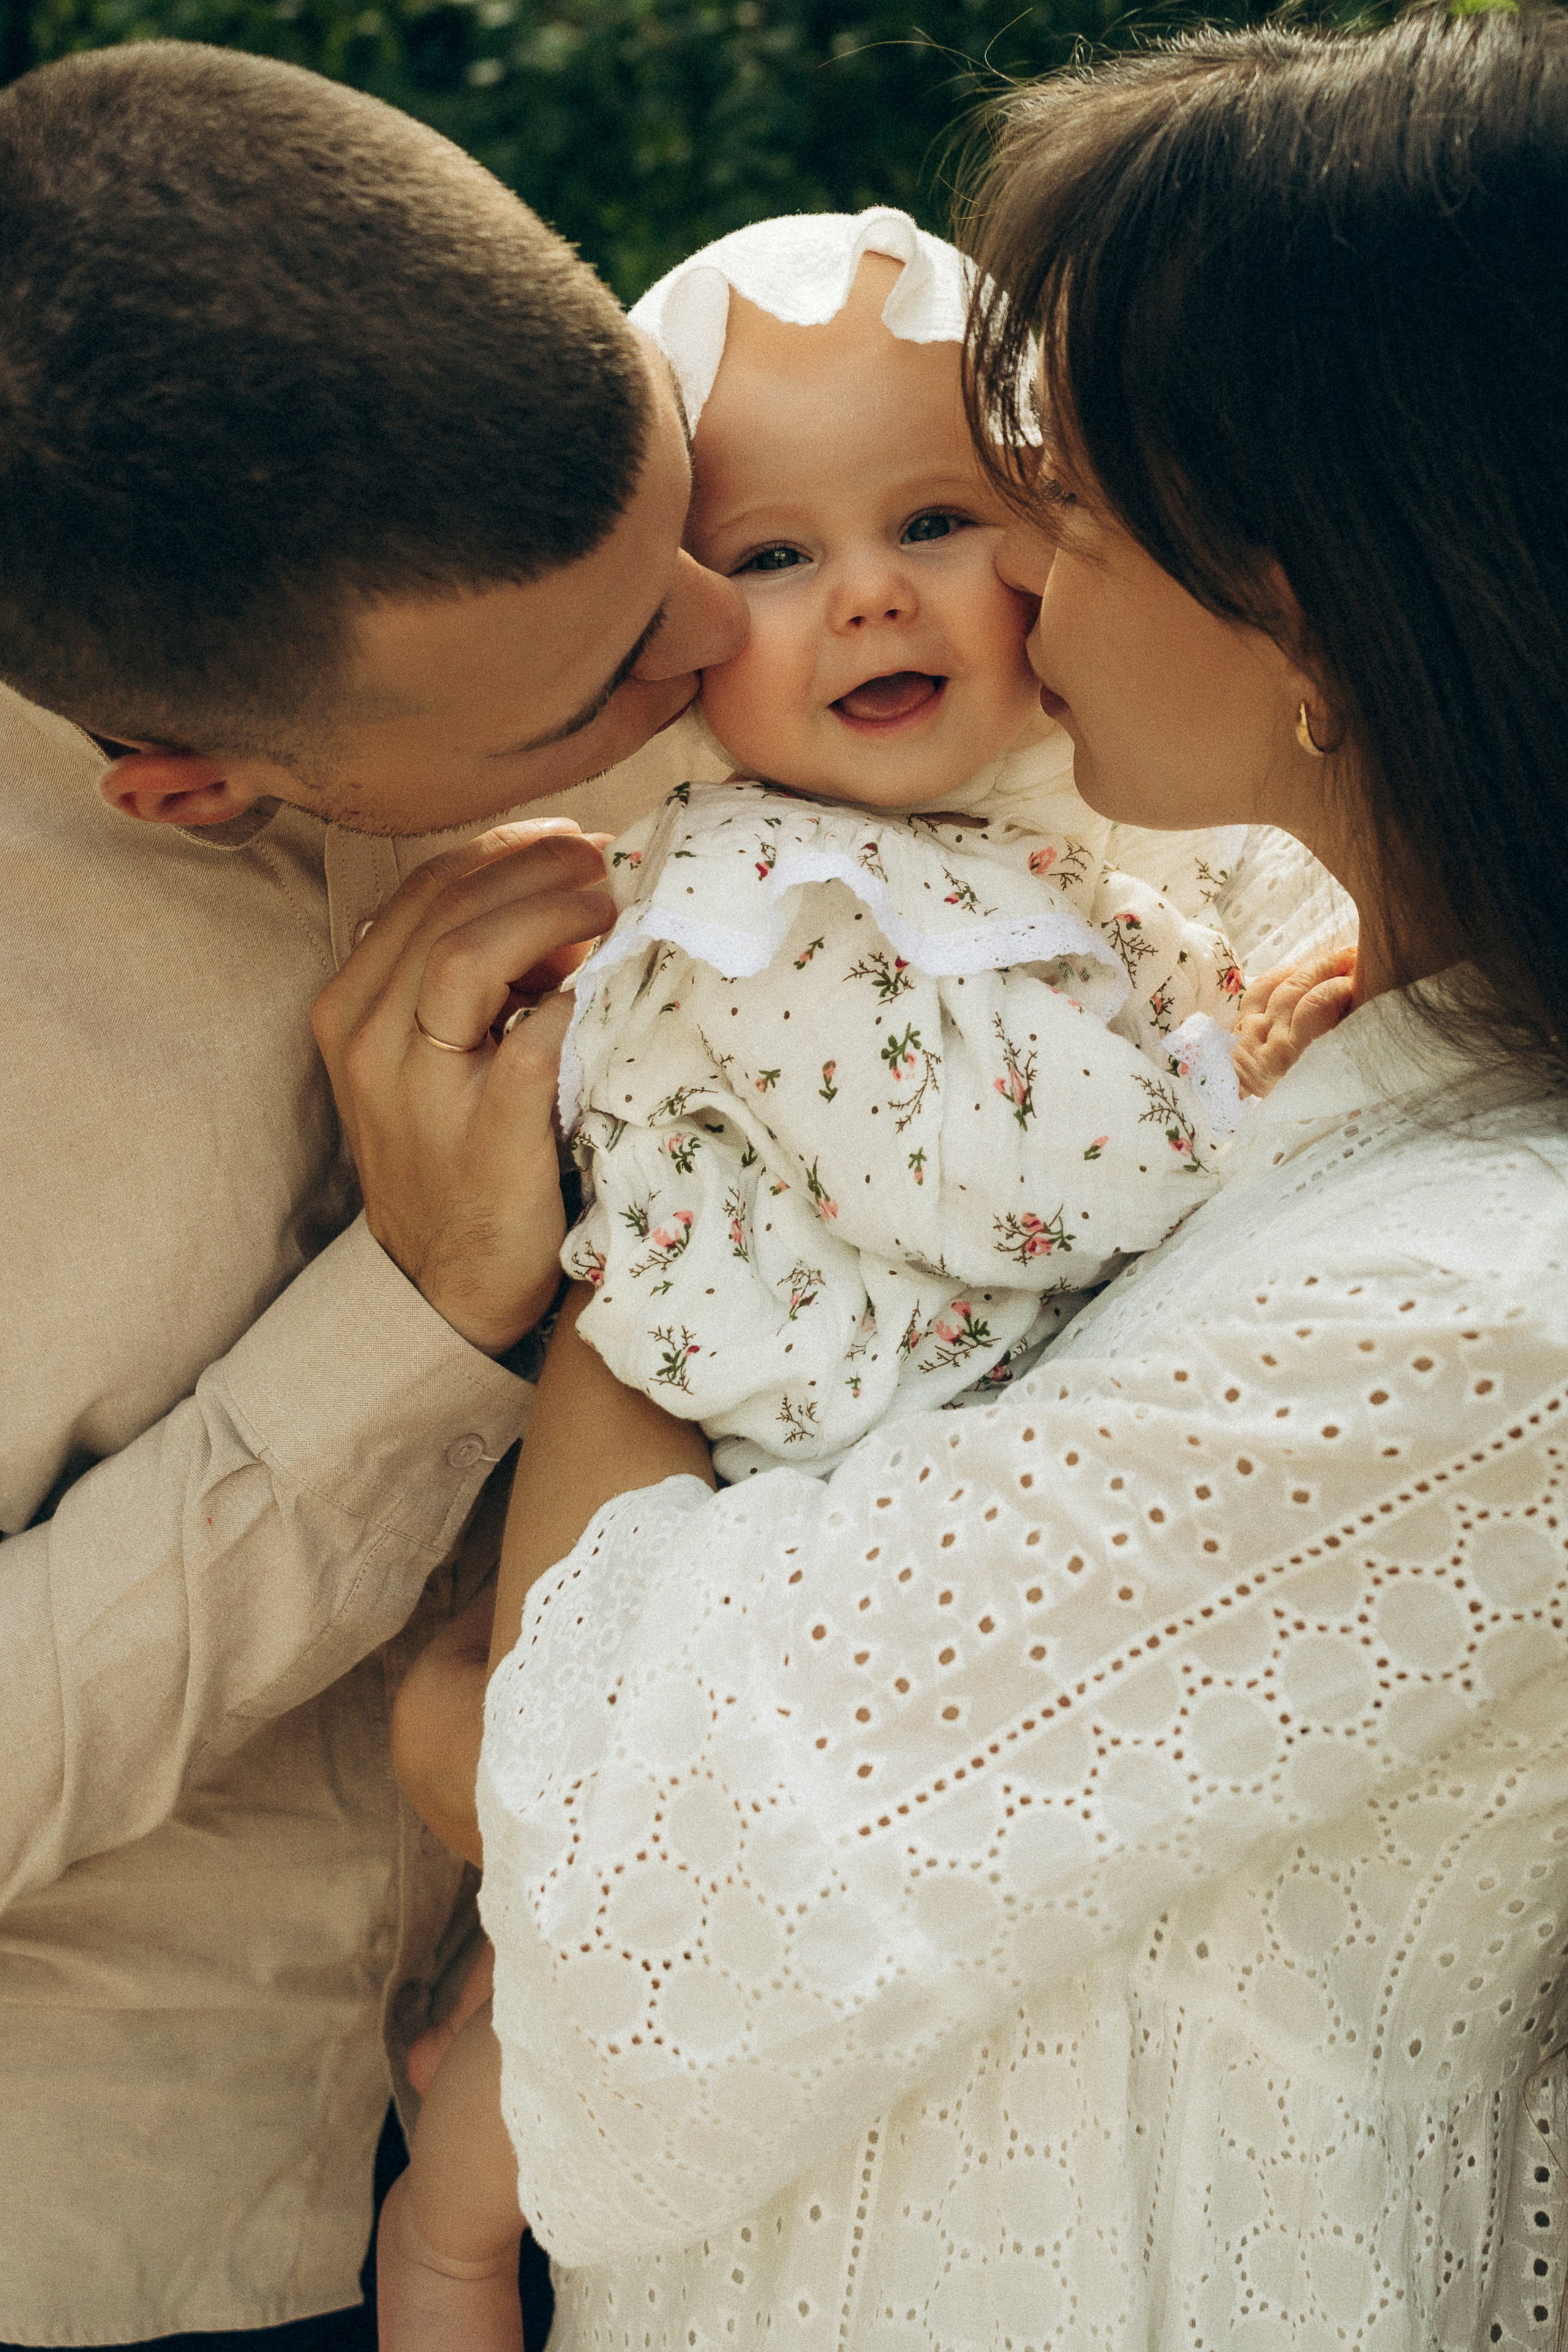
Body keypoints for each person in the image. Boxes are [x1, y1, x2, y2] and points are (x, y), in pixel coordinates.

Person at [391, 7, 1568, 2346]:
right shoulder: (1312, 1064)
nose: (1006, 580)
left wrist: (538, 1288)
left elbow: (580, 1807)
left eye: (1067, 513)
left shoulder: (1484, 1303)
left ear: (1317, 599)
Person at [0, 37, 744, 2350]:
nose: (725, 641)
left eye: (686, 518)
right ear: (193, 793)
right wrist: (407, 1325)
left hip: (687, 2157)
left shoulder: (632, 549)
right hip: (152, 2256)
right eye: (611, 680)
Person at [558, 209, 1307, 1484]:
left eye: (931, 524)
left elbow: (1134, 974)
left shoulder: (1046, 819)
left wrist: (1256, 1011)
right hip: (830, 1469)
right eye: (776, 555)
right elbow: (989, 1175)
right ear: (677, 616)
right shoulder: (762, 896)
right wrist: (1242, 1092)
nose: (870, 594)